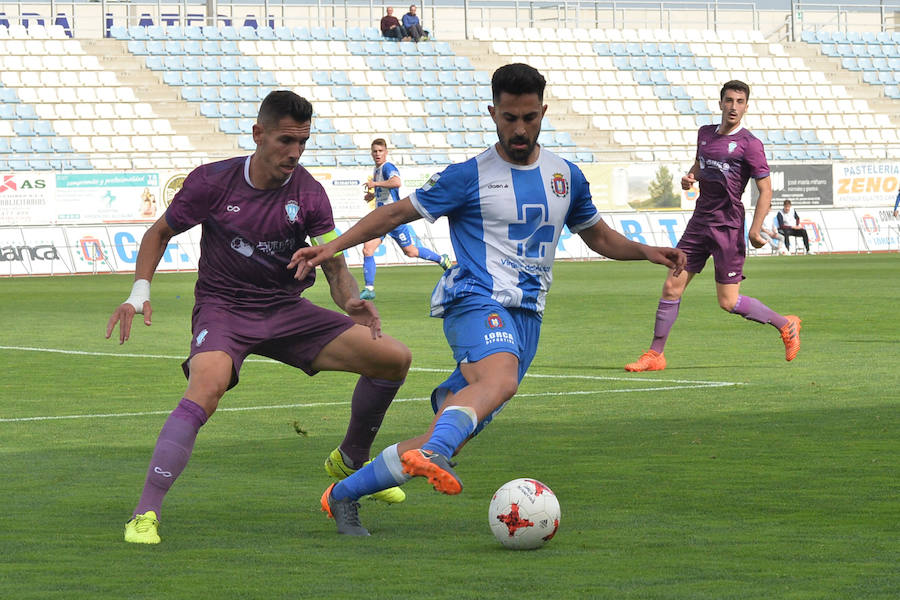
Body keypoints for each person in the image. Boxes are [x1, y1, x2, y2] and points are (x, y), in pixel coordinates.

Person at [288, 63, 686, 536]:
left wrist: (646, 251)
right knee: (497, 382)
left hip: (527, 319)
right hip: (475, 300)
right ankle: (434, 452)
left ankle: (343, 493)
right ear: (492, 113)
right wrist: (333, 247)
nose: (520, 129)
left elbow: (596, 235)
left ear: (544, 113)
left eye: (530, 118)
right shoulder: (469, 175)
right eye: (510, 118)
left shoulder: (566, 176)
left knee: (456, 428)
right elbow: (394, 212)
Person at [106, 91, 412, 545]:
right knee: (205, 386)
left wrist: (349, 301)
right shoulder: (213, 182)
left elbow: (334, 264)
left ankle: (350, 461)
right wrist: (138, 292)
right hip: (224, 308)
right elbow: (160, 231)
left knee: (394, 358)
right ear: (258, 134)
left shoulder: (308, 192)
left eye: (303, 143)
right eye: (286, 141)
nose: (294, 153)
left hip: (286, 311)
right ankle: (145, 513)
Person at [624, 80, 802, 373]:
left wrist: (755, 230)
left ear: (746, 106)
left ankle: (786, 324)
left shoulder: (750, 144)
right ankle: (655, 354)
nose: (733, 106)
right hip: (699, 223)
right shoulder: (705, 134)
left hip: (728, 227)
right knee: (671, 285)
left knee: (728, 301)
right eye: (729, 100)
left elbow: (766, 190)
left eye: (740, 101)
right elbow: (700, 164)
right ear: (720, 103)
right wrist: (689, 176)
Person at [359, 138, 451, 299]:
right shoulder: (377, 169)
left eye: (380, 151)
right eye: (375, 151)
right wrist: (371, 195)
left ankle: (441, 259)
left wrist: (375, 185)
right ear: (371, 153)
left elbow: (396, 182)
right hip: (382, 217)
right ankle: (369, 289)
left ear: (386, 152)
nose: (377, 154)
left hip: (394, 218)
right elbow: (385, 192)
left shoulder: (388, 167)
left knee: (411, 251)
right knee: (368, 249)